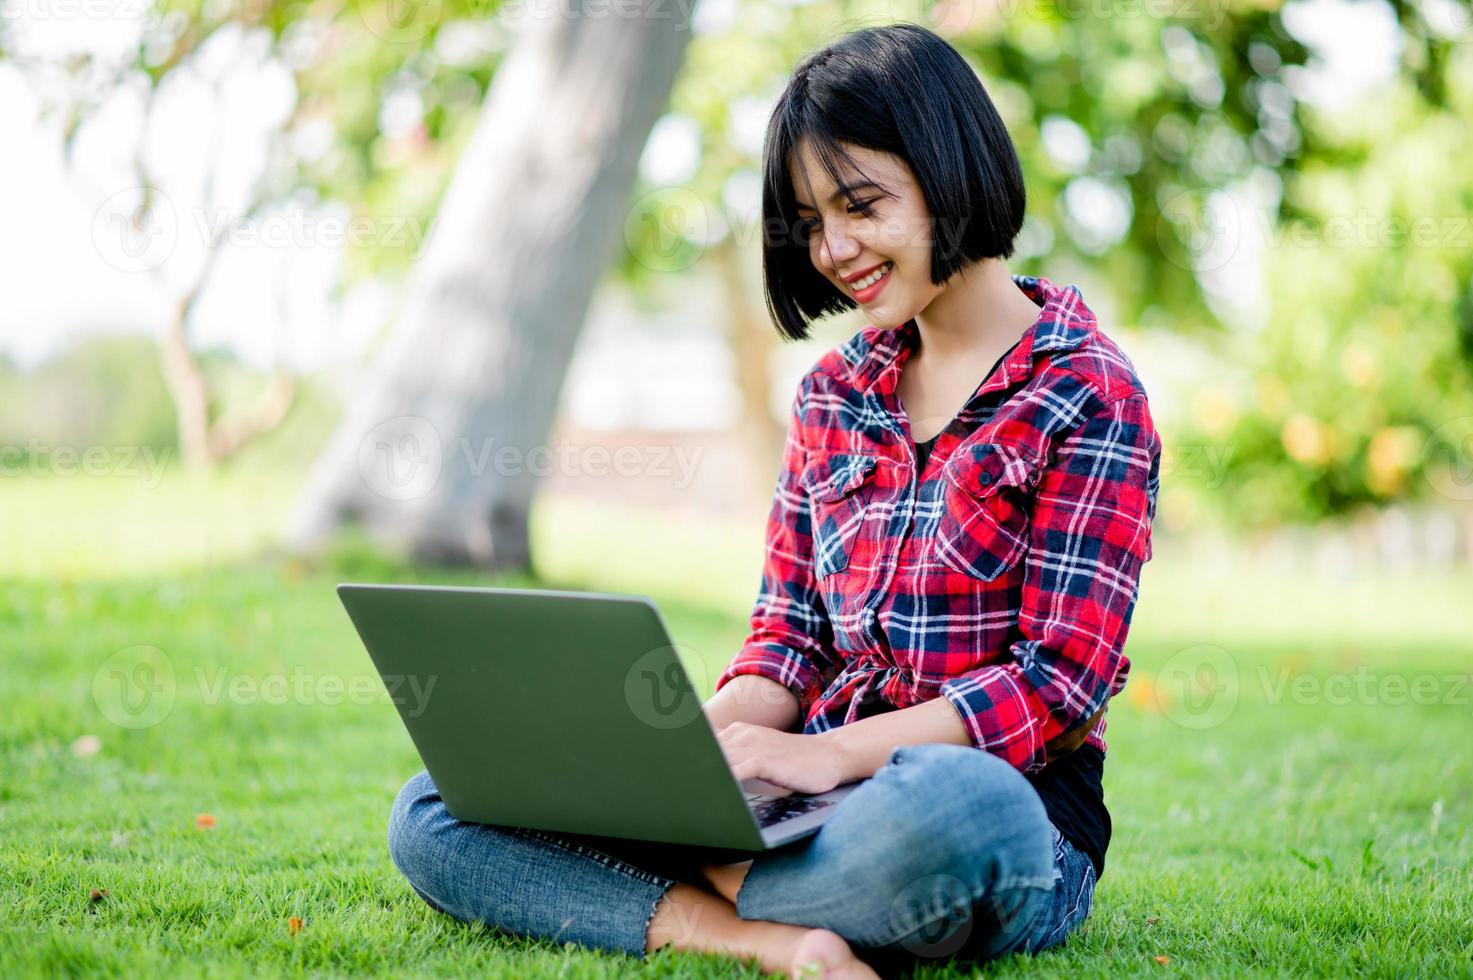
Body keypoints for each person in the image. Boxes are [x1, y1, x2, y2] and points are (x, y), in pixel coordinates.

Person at [386, 22, 1162, 980]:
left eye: (860, 205)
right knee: (432, 809)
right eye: (808, 222)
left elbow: (1055, 685)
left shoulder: (1088, 392)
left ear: (949, 170)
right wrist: (662, 762)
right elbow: (786, 645)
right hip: (804, 810)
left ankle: (683, 883)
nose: (833, 249)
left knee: (963, 808)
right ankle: (767, 937)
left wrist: (830, 760)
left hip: (992, 815)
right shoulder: (833, 398)